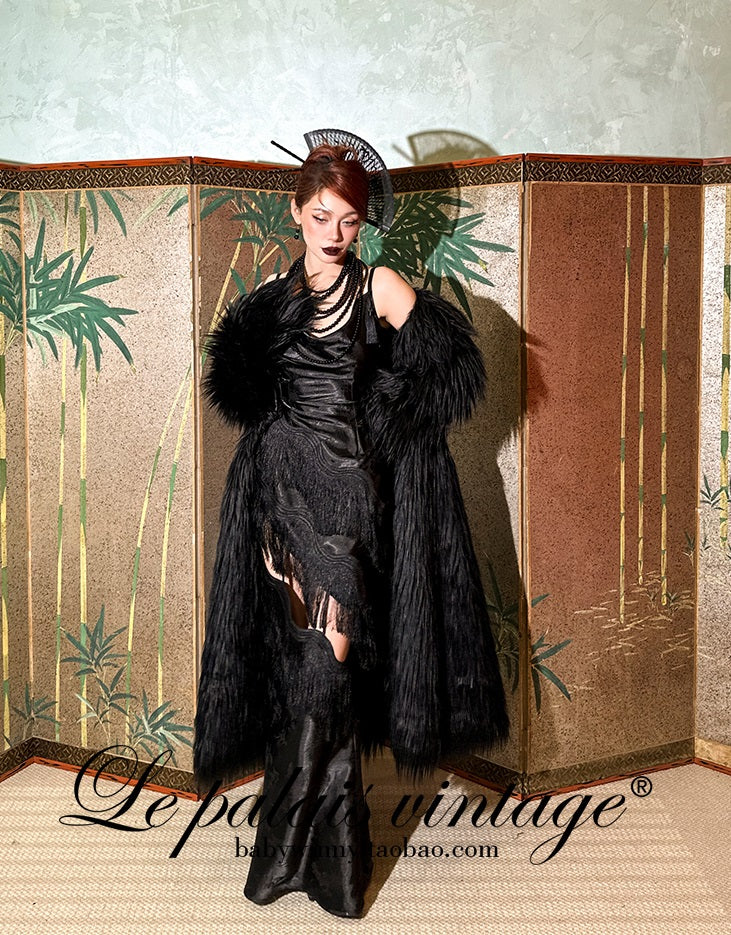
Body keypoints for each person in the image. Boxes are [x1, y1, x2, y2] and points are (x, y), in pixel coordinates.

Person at [194, 139, 509, 918]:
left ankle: (296, 859)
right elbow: (255, 407)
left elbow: (446, 370)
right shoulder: (270, 298)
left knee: (328, 665)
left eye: (348, 219)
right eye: (320, 216)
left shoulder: (379, 284)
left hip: (349, 499)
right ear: (295, 212)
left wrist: (386, 429)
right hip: (283, 498)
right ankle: (314, 866)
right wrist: (264, 497)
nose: (334, 233)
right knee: (308, 662)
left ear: (363, 223)